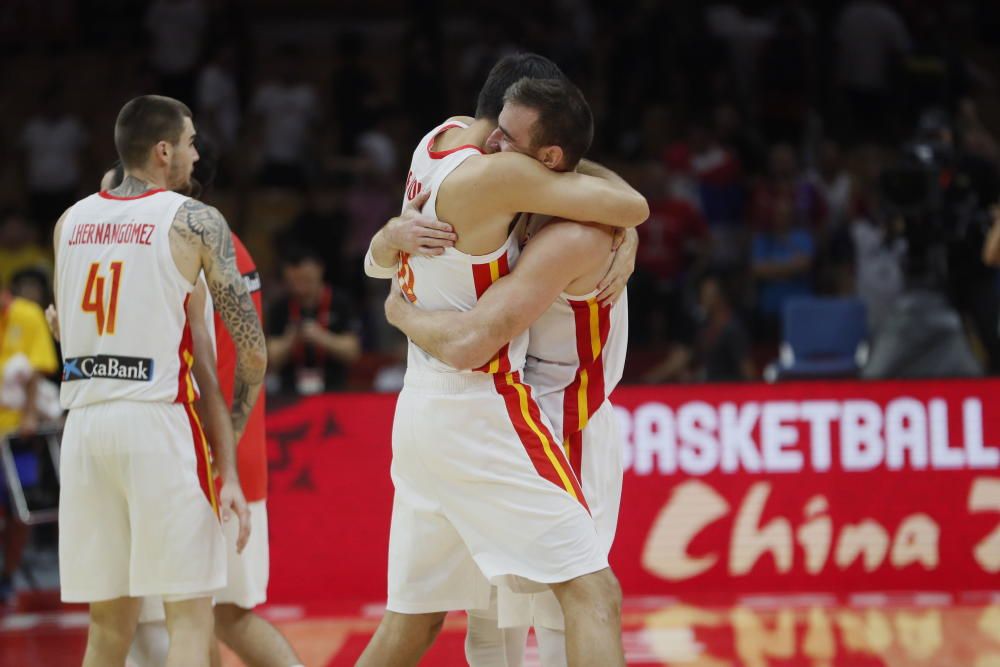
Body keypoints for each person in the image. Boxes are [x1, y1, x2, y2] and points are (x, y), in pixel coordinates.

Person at [360, 55, 647, 667]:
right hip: (493, 405)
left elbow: (620, 207)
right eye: (498, 131)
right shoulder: (508, 185)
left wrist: (388, 258)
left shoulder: (440, 139)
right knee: (583, 598)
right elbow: (632, 203)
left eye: (508, 141)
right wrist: (397, 304)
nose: (492, 144)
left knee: (422, 621)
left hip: (440, 408)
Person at [52, 95, 264, 667]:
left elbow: (64, 331)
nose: (197, 154)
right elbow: (252, 355)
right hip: (158, 424)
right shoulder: (194, 219)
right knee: (190, 620)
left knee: (108, 628)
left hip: (85, 430)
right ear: (164, 149)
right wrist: (227, 455)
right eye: (191, 141)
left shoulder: (68, 221)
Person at [96, 142, 304, 667]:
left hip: (193, 453)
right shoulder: (230, 243)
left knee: (167, 620)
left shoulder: (176, 247)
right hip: (231, 450)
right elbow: (252, 355)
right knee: (212, 614)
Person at [0, 274, 59, 605]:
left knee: (21, 510)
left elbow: (39, 367)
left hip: (18, 434)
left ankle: (8, 576)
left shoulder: (27, 315)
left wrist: (29, 417)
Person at [266, 245, 362, 395]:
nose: (300, 288)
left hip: (335, 391)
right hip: (289, 394)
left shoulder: (341, 302)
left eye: (305, 280)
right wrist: (291, 339)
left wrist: (321, 337)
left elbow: (353, 352)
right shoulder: (280, 307)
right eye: (294, 282)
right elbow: (270, 358)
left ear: (319, 270)